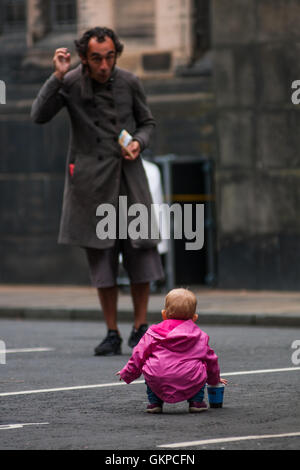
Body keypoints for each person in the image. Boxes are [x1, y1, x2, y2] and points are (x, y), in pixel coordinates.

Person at [31, 27, 164, 355]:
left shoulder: (131, 82)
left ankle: (140, 326)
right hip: (90, 185)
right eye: (96, 59)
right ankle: (112, 332)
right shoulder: (71, 82)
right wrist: (57, 77)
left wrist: (138, 142)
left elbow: (148, 123)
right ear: (83, 58)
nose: (104, 65)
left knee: (141, 253)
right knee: (101, 257)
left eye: (110, 57)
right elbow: (38, 115)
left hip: (129, 180)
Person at [116, 288, 228, 413]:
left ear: (164, 314)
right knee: (201, 366)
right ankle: (196, 402)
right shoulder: (200, 336)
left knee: (150, 367)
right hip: (189, 378)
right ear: (194, 317)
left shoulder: (153, 333)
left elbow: (139, 354)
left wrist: (127, 372)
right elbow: (212, 360)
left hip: (158, 378)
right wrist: (214, 380)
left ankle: (155, 403)